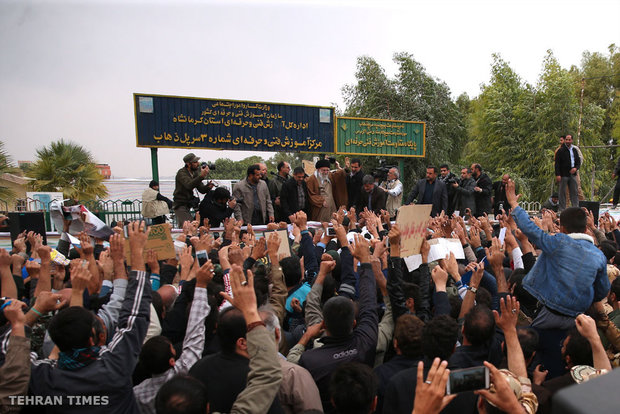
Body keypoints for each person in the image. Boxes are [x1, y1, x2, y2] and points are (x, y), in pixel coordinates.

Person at [505, 179, 609, 328]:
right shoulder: (600, 256)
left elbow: (531, 230)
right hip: (580, 317)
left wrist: (514, 204)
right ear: (586, 229)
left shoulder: (558, 243)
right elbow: (602, 290)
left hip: (551, 312)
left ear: (562, 229)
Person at [173, 153, 211, 227]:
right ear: (188, 164)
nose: (198, 163)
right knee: (189, 226)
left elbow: (201, 189)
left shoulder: (195, 173)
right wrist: (201, 176)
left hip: (188, 203)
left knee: (189, 226)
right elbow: (189, 185)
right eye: (195, 162)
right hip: (180, 204)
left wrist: (208, 187)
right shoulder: (181, 173)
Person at [554, 134, 581, 211]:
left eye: (569, 140)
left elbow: (578, 161)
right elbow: (557, 163)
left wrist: (575, 168)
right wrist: (558, 174)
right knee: (562, 192)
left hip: (572, 174)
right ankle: (562, 209)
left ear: (572, 140)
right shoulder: (560, 151)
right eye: (566, 139)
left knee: (574, 191)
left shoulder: (574, 150)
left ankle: (575, 208)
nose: (568, 141)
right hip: (563, 174)